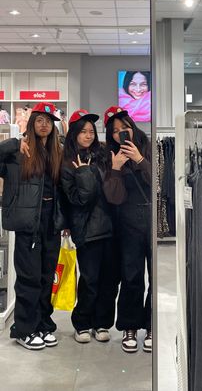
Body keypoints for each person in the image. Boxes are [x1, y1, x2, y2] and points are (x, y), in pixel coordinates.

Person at [0, 102, 65, 350]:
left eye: (49, 120)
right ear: (31, 122)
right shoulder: (19, 151)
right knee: (28, 278)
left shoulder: (57, 152)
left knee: (47, 277)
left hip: (51, 221)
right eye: (39, 119)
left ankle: (42, 324)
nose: (44, 124)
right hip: (29, 222)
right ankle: (23, 329)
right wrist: (14, 143)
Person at [61, 109, 117, 344]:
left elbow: (111, 190)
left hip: (111, 228)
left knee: (109, 281)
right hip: (87, 229)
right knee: (90, 280)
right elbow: (79, 199)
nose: (88, 135)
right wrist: (83, 172)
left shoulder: (103, 155)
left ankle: (102, 322)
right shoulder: (67, 164)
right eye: (83, 131)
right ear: (74, 134)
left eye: (91, 131)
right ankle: (83, 323)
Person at [103, 106, 152, 353]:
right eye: (115, 131)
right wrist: (115, 169)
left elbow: (160, 182)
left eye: (124, 128)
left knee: (156, 276)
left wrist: (140, 160)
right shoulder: (110, 156)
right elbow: (113, 197)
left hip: (153, 220)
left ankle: (151, 325)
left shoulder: (149, 146)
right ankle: (130, 326)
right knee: (131, 276)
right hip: (128, 221)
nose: (120, 134)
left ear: (132, 126)